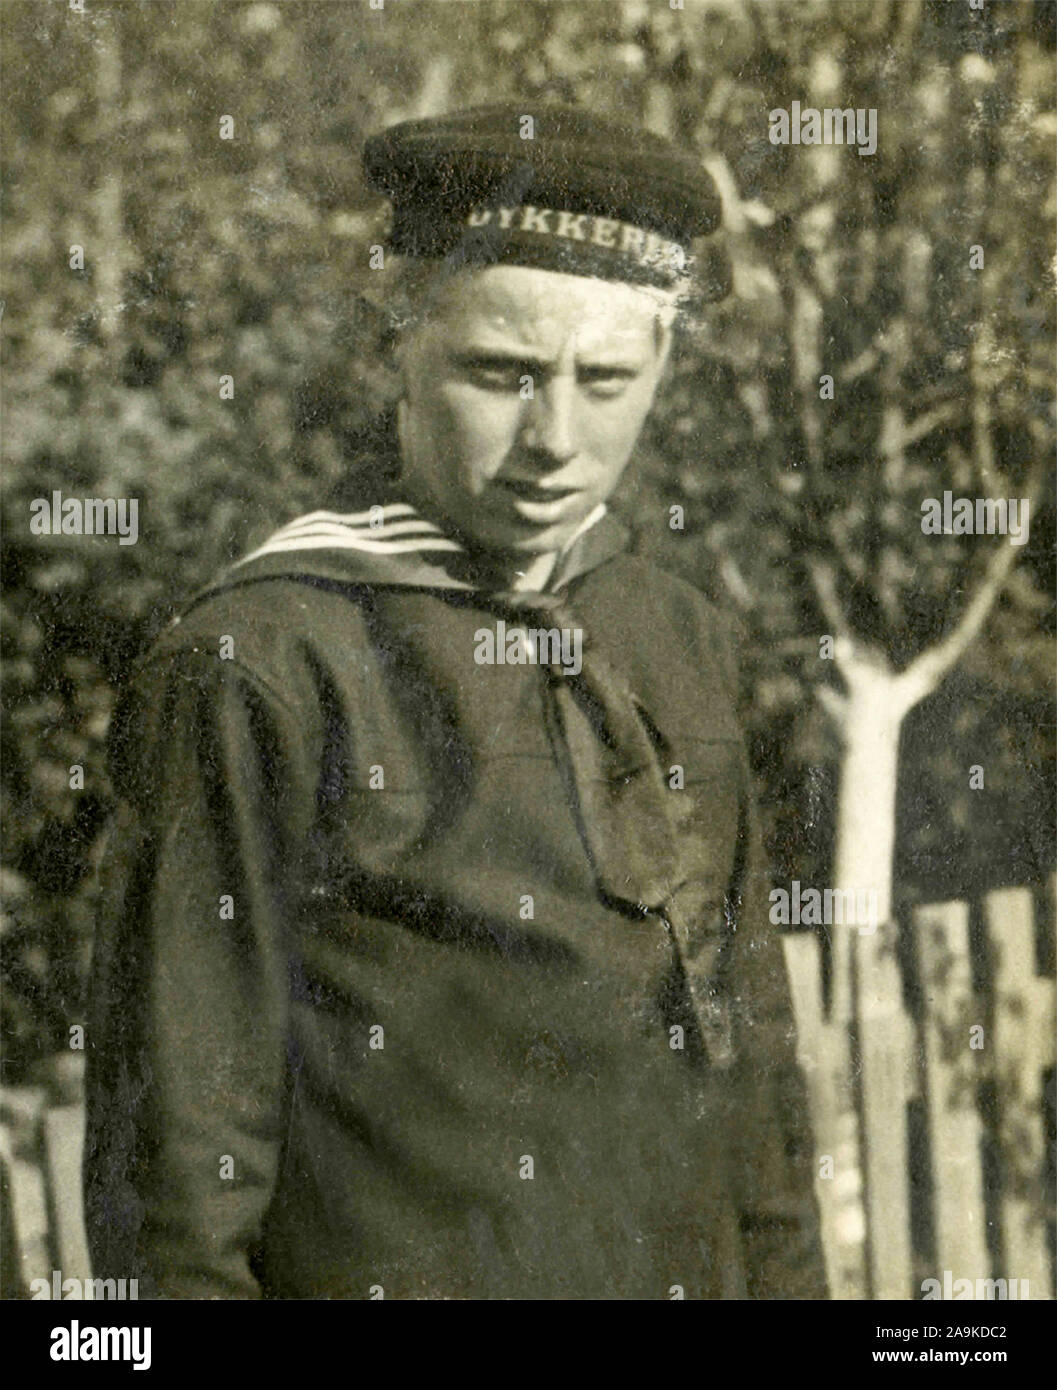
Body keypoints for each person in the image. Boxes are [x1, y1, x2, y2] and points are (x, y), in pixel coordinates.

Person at [83, 104, 828, 1300]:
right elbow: (175, 1168)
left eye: (607, 379)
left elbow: (754, 1087)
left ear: (663, 368)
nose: (556, 440)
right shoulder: (262, 662)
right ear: (397, 341)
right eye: (504, 374)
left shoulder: (674, 635)